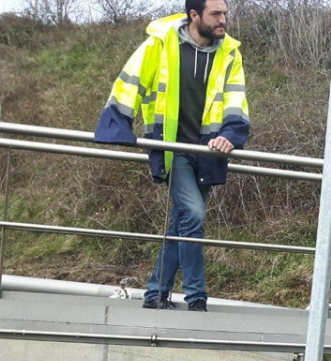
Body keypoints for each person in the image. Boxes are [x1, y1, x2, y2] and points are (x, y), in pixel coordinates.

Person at [94, 0, 249, 312]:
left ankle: (155, 293)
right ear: (194, 15)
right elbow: (131, 80)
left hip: (208, 150)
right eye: (216, 14)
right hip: (172, 147)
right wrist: (118, 123)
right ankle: (196, 297)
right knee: (192, 215)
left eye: (225, 14)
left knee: (182, 223)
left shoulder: (229, 52)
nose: (223, 20)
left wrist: (230, 134)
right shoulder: (161, 42)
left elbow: (236, 98)